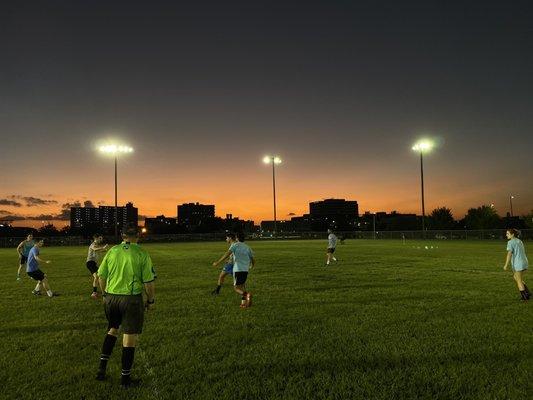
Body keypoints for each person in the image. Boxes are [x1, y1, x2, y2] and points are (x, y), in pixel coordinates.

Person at [96, 225, 156, 388]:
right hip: (130, 299)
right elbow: (149, 282)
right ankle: (125, 379)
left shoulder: (113, 250)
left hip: (111, 298)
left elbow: (101, 276)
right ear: (137, 235)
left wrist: (104, 295)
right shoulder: (142, 252)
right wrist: (151, 301)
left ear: (122, 235)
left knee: (113, 329)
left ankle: (101, 369)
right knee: (129, 337)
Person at [212, 232, 255, 308]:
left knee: (236, 288)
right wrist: (252, 265)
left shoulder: (235, 245)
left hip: (237, 268)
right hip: (245, 270)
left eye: (227, 238)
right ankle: (243, 304)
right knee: (241, 286)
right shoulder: (247, 247)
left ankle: (247, 295)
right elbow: (252, 258)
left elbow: (227, 254)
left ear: (236, 238)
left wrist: (218, 262)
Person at [503, 228, 529, 301]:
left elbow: (509, 254)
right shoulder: (519, 241)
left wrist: (506, 265)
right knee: (516, 277)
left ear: (512, 234)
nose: (506, 235)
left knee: (519, 280)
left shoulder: (510, 242)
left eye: (508, 233)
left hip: (518, 263)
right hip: (524, 261)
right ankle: (527, 292)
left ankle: (525, 297)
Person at [86, 234, 108, 299]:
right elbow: (95, 249)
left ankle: (97, 291)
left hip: (93, 264)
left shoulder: (96, 245)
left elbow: (98, 250)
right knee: (96, 277)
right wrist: (103, 248)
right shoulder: (93, 244)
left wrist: (105, 250)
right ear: (96, 238)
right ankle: (94, 293)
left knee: (99, 276)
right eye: (100, 238)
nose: (101, 240)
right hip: (90, 263)